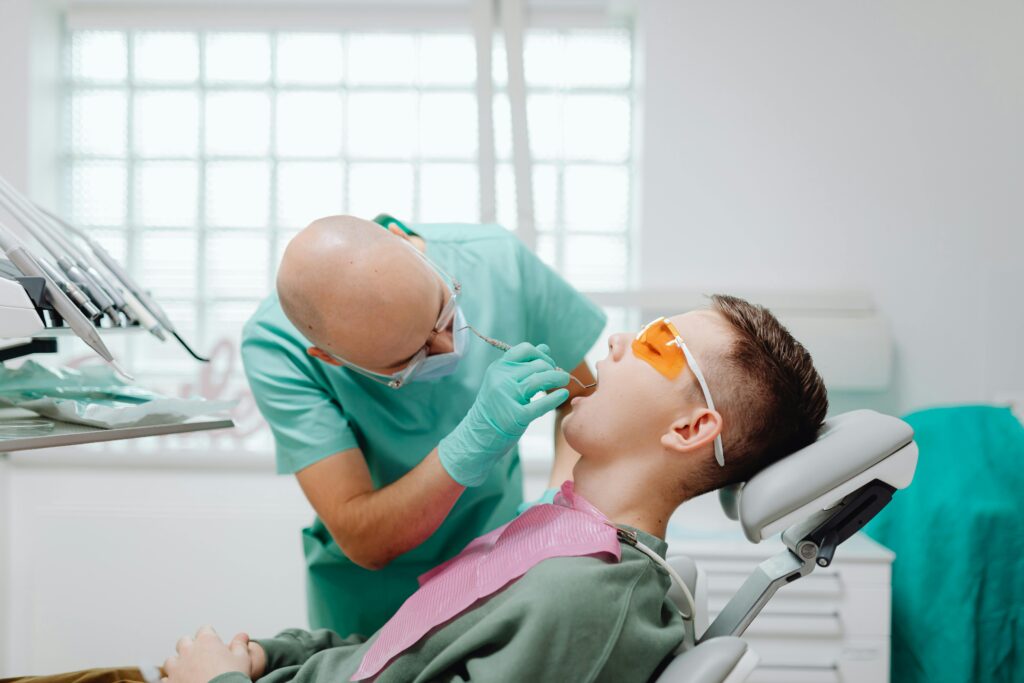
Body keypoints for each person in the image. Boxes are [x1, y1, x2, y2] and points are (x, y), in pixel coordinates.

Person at [3, 295, 824, 683]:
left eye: (654, 344)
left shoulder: (592, 603)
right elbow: (401, 652)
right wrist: (274, 654)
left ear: (690, 430)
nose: (613, 342)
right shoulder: (558, 539)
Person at [240, 214, 605, 636]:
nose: (449, 346)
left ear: (407, 243)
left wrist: (555, 500)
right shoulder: (276, 347)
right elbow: (362, 535)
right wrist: (471, 440)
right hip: (374, 602)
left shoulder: (498, 262)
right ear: (331, 358)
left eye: (444, 311)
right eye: (412, 357)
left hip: (498, 560)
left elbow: (581, 395)